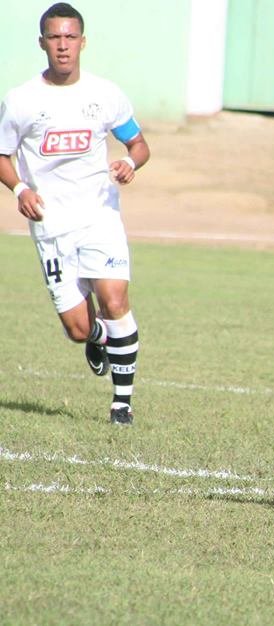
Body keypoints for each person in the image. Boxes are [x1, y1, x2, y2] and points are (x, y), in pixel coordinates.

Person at [0, 3, 150, 425]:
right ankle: (99, 339)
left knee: (115, 299)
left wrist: (130, 164)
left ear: (83, 42)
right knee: (78, 329)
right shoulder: (22, 101)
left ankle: (122, 403)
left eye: (70, 37)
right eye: (54, 37)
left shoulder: (105, 95)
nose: (63, 46)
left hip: (99, 215)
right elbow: (2, 154)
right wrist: (20, 187)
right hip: (50, 225)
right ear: (42, 43)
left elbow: (139, 144)